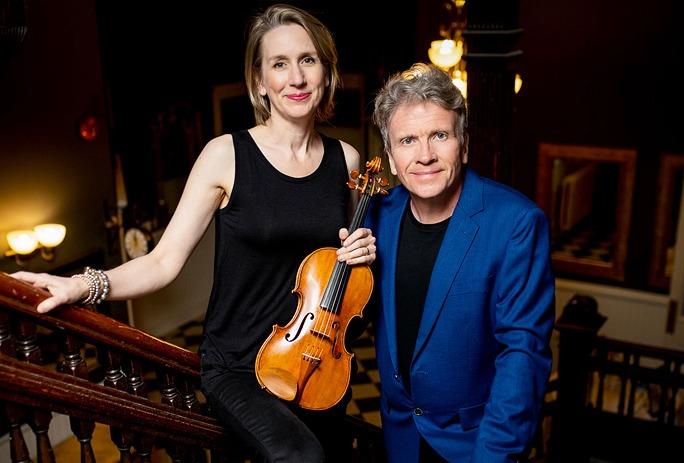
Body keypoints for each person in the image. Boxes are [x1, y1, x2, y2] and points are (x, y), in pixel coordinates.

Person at [12, 4, 376, 462]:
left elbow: (336, 272)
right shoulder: (226, 155)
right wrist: (84, 284)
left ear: (326, 71)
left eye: (307, 60)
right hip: (239, 366)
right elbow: (163, 261)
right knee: (300, 456)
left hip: (317, 363)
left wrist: (361, 255)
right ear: (260, 82)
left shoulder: (345, 160)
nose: (296, 78)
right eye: (279, 64)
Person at [366, 63, 554, 462]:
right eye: (408, 141)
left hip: (473, 445)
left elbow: (522, 353)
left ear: (463, 145)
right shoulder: (377, 216)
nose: (426, 155)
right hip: (399, 437)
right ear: (391, 157)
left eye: (439, 135)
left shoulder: (516, 223)